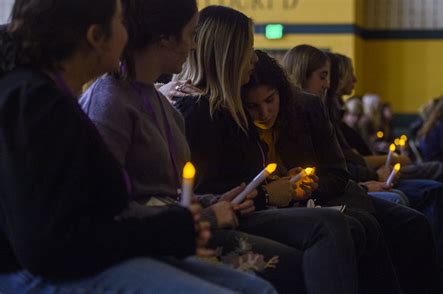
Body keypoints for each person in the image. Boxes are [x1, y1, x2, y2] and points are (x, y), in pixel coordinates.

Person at [0, 1, 275, 293]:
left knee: (256, 289)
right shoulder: (35, 102)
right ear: (96, 36)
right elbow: (51, 246)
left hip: (72, 259)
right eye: (121, 22)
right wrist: (172, 229)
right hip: (30, 272)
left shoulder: (47, 94)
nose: (129, 32)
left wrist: (186, 217)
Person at [79, 0, 302, 292]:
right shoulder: (110, 102)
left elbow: (170, 193)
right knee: (275, 276)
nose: (194, 46)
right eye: (191, 34)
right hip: (145, 241)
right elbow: (106, 208)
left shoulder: (163, 105)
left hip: (173, 229)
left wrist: (213, 200)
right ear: (165, 39)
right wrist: (206, 215)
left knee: (292, 264)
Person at [176, 6, 365, 294]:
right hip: (225, 221)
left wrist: (283, 184)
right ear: (228, 55)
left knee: (352, 223)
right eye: (248, 49)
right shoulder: (200, 111)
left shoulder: (229, 107)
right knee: (327, 225)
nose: (254, 59)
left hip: (249, 211)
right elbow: (206, 192)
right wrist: (267, 194)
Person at [283, 45, 443, 294]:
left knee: (411, 214)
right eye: (323, 76)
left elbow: (342, 164)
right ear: (302, 73)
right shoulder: (298, 111)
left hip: (340, 187)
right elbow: (344, 166)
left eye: (329, 76)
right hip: (325, 195)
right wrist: (367, 179)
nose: (328, 83)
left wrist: (364, 178)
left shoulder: (323, 111)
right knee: (391, 210)